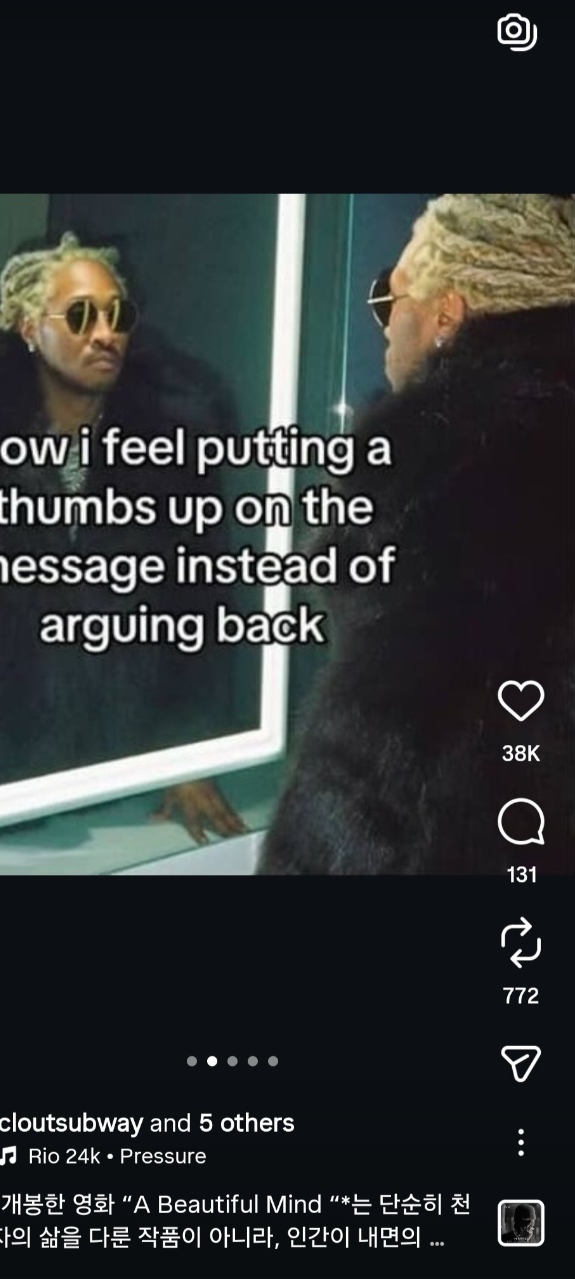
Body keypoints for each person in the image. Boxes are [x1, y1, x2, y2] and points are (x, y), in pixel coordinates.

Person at [0, 233, 245, 874]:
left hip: (113, 795)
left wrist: (188, 756)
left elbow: (194, 616)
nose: (105, 333)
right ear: (31, 329)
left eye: (118, 314)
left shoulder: (169, 458)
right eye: (80, 315)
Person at [259, 194, 574, 875]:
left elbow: (368, 783)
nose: (382, 325)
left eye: (390, 298)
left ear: (444, 317)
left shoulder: (439, 484)